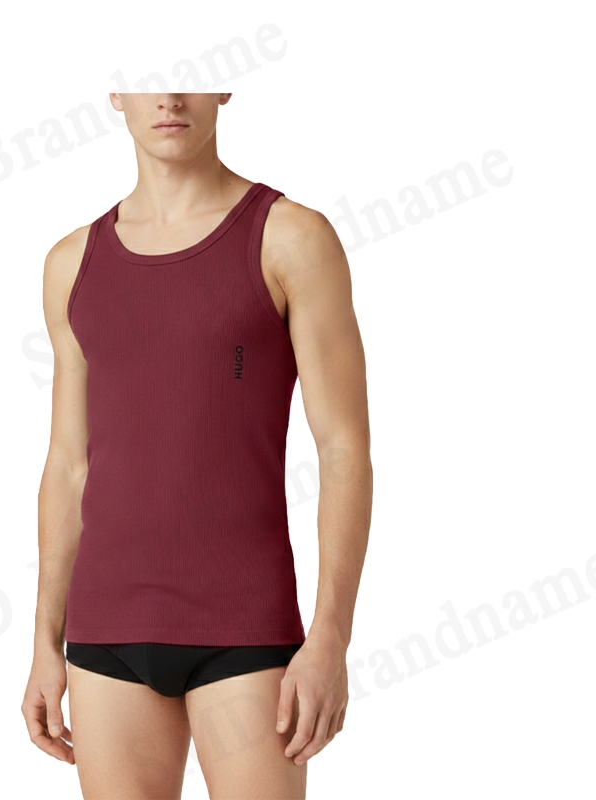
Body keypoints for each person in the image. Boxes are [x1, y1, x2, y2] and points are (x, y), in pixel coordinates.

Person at [21, 92, 373, 800]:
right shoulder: (72, 262)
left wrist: (331, 637)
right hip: (106, 630)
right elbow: (67, 465)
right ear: (116, 92)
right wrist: (43, 642)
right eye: (148, 75)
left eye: (190, 72)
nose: (170, 96)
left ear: (224, 87)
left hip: (246, 628)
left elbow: (343, 450)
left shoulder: (290, 238)